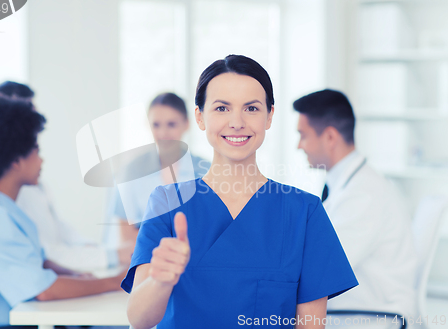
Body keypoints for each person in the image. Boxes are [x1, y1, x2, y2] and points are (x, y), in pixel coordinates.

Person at [121, 55, 358, 329]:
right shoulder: (166, 203)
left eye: (252, 109)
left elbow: (310, 326)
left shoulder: (305, 212)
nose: (236, 122)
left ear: (269, 116)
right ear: (200, 117)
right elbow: (138, 320)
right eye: (221, 108)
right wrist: (160, 281)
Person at [0, 97, 125, 329]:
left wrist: (79, 275)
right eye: (36, 150)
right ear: (16, 161)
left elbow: (38, 262)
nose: (41, 159)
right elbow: (44, 291)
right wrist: (112, 282)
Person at [294, 89, 417, 318]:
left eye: (303, 135)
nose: (299, 146)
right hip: (351, 310)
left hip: (370, 316)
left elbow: (322, 269)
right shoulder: (349, 185)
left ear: (330, 137)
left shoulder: (363, 194)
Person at [0, 81, 132, 269]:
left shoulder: (31, 178)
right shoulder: (6, 192)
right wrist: (109, 257)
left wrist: (97, 249)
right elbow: (44, 253)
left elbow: (58, 229)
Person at [104, 93, 211, 255]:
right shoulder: (131, 171)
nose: (163, 133)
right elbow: (126, 234)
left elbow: (211, 229)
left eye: (171, 124)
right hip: (145, 260)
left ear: (187, 124)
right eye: (156, 124)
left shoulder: (206, 171)